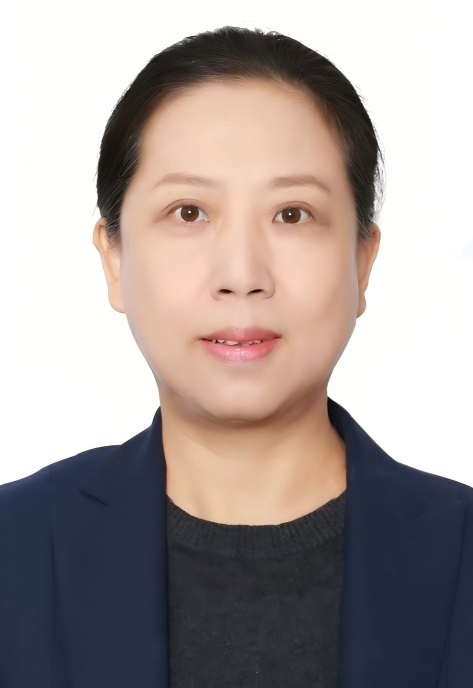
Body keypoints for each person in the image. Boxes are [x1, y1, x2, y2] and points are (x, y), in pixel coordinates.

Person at [1, 25, 471, 688]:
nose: (242, 274)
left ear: (362, 262)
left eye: (292, 214)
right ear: (115, 259)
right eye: (189, 212)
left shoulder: (459, 553)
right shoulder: (16, 550)